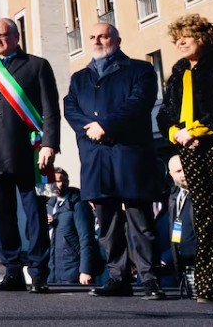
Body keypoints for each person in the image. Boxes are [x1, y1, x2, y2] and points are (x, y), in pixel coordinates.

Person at [63, 22, 165, 299]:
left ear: (116, 40)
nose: (97, 40)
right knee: (106, 222)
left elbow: (139, 102)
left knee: (139, 219)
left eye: (103, 36)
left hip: (128, 153)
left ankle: (149, 277)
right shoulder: (79, 77)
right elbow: (70, 108)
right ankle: (117, 277)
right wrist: (91, 129)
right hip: (95, 156)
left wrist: (106, 126)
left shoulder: (139, 70)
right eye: (93, 36)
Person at [0, 18, 59, 293]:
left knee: (36, 216)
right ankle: (13, 271)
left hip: (32, 154)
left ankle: (39, 272)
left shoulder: (37, 65)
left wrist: (50, 144)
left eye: (4, 35)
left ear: (17, 36)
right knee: (3, 216)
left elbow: (50, 109)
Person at [157, 13, 213, 304]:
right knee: (204, 217)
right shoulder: (179, 70)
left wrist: (197, 130)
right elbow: (165, 113)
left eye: (187, 36)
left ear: (203, 37)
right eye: (177, 37)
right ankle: (209, 287)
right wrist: (175, 133)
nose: (180, 41)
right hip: (188, 149)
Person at [45, 169, 97, 285]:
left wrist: (85, 270)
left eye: (61, 181)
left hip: (72, 271)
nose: (59, 184)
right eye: (54, 181)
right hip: (51, 272)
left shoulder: (78, 204)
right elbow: (30, 235)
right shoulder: (49, 205)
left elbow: (86, 238)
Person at [167, 154, 196, 296]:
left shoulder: (201, 194)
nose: (183, 174)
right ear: (171, 174)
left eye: (185, 168)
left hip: (201, 260)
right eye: (178, 171)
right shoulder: (174, 196)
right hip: (183, 262)